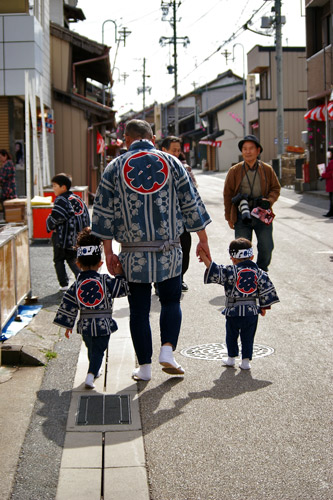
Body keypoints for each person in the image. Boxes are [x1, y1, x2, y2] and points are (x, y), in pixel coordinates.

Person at [92, 119, 211, 381]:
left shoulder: (114, 167)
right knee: (170, 300)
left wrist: (108, 250)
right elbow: (191, 203)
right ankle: (167, 350)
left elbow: (103, 213)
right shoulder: (172, 162)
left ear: (126, 140)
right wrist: (203, 240)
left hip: (133, 254)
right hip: (169, 251)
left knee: (139, 311)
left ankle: (144, 368)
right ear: (153, 138)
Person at [53, 228, 128, 389]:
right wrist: (120, 274)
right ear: (100, 263)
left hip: (85, 325)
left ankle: (94, 369)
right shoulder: (105, 281)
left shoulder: (77, 285)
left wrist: (68, 325)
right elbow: (122, 289)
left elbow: (69, 304)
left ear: (78, 264)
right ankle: (91, 374)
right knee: (99, 350)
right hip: (103, 324)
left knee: (92, 348)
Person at [199, 237, 279, 370]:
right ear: (252, 256)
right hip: (251, 311)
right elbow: (266, 289)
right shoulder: (260, 273)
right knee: (248, 337)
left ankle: (231, 358)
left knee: (231, 335)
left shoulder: (230, 271)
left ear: (232, 258)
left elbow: (214, 269)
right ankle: (246, 361)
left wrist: (203, 254)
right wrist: (264, 307)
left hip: (233, 311)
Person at [223, 135, 280, 271]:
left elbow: (276, 188)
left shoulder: (267, 169)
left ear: (258, 151)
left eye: (251, 148)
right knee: (241, 248)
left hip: (262, 212)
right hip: (241, 212)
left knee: (266, 245)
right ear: (242, 151)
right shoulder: (235, 171)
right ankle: (243, 273)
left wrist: (269, 200)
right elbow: (227, 194)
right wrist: (228, 217)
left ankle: (261, 271)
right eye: (244, 149)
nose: (248, 152)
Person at [161, 136, 197, 292]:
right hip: (162, 219)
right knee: (163, 250)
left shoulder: (185, 168)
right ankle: (160, 282)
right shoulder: (156, 168)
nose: (176, 153)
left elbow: (194, 191)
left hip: (182, 218)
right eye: (173, 150)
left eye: (178, 150)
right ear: (164, 150)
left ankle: (180, 278)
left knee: (184, 248)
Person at [46, 173, 90, 291]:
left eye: (55, 186)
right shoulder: (77, 198)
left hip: (63, 236)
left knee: (59, 260)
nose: (53, 188)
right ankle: (83, 279)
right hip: (77, 236)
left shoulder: (61, 199)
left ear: (63, 187)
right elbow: (86, 216)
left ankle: (64, 284)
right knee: (73, 259)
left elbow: (57, 217)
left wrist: (49, 223)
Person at [321, 146, 333, 218]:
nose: (328, 154)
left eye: (329, 152)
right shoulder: (331, 162)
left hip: (331, 183)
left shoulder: (332, 162)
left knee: (332, 199)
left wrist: (323, 175)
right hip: (330, 183)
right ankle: (330, 212)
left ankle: (331, 212)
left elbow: (331, 173)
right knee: (331, 199)